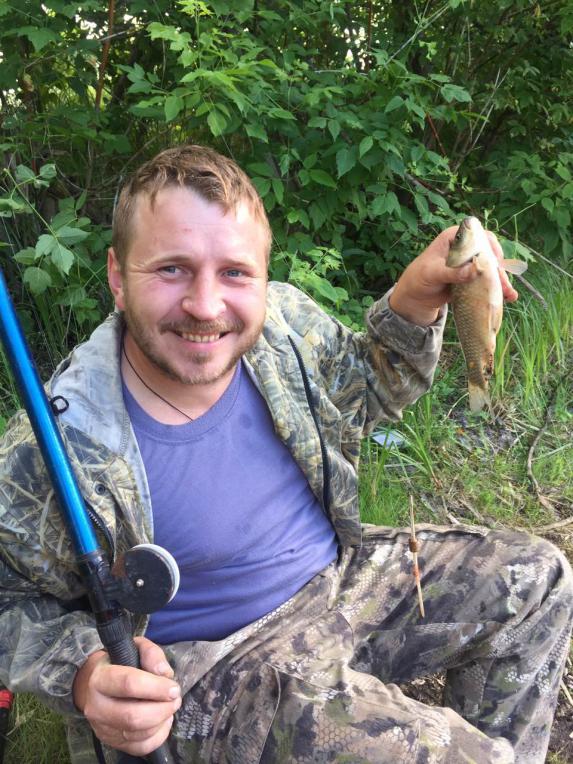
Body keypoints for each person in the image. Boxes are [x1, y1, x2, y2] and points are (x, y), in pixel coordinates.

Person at [0, 144, 571, 764]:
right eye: (171, 269)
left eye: (235, 273)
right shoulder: (56, 444)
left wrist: (416, 298)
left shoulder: (283, 329)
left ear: (263, 276)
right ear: (118, 276)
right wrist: (83, 671)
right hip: (218, 667)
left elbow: (366, 389)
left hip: (340, 582)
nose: (205, 305)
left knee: (538, 580)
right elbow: (9, 602)